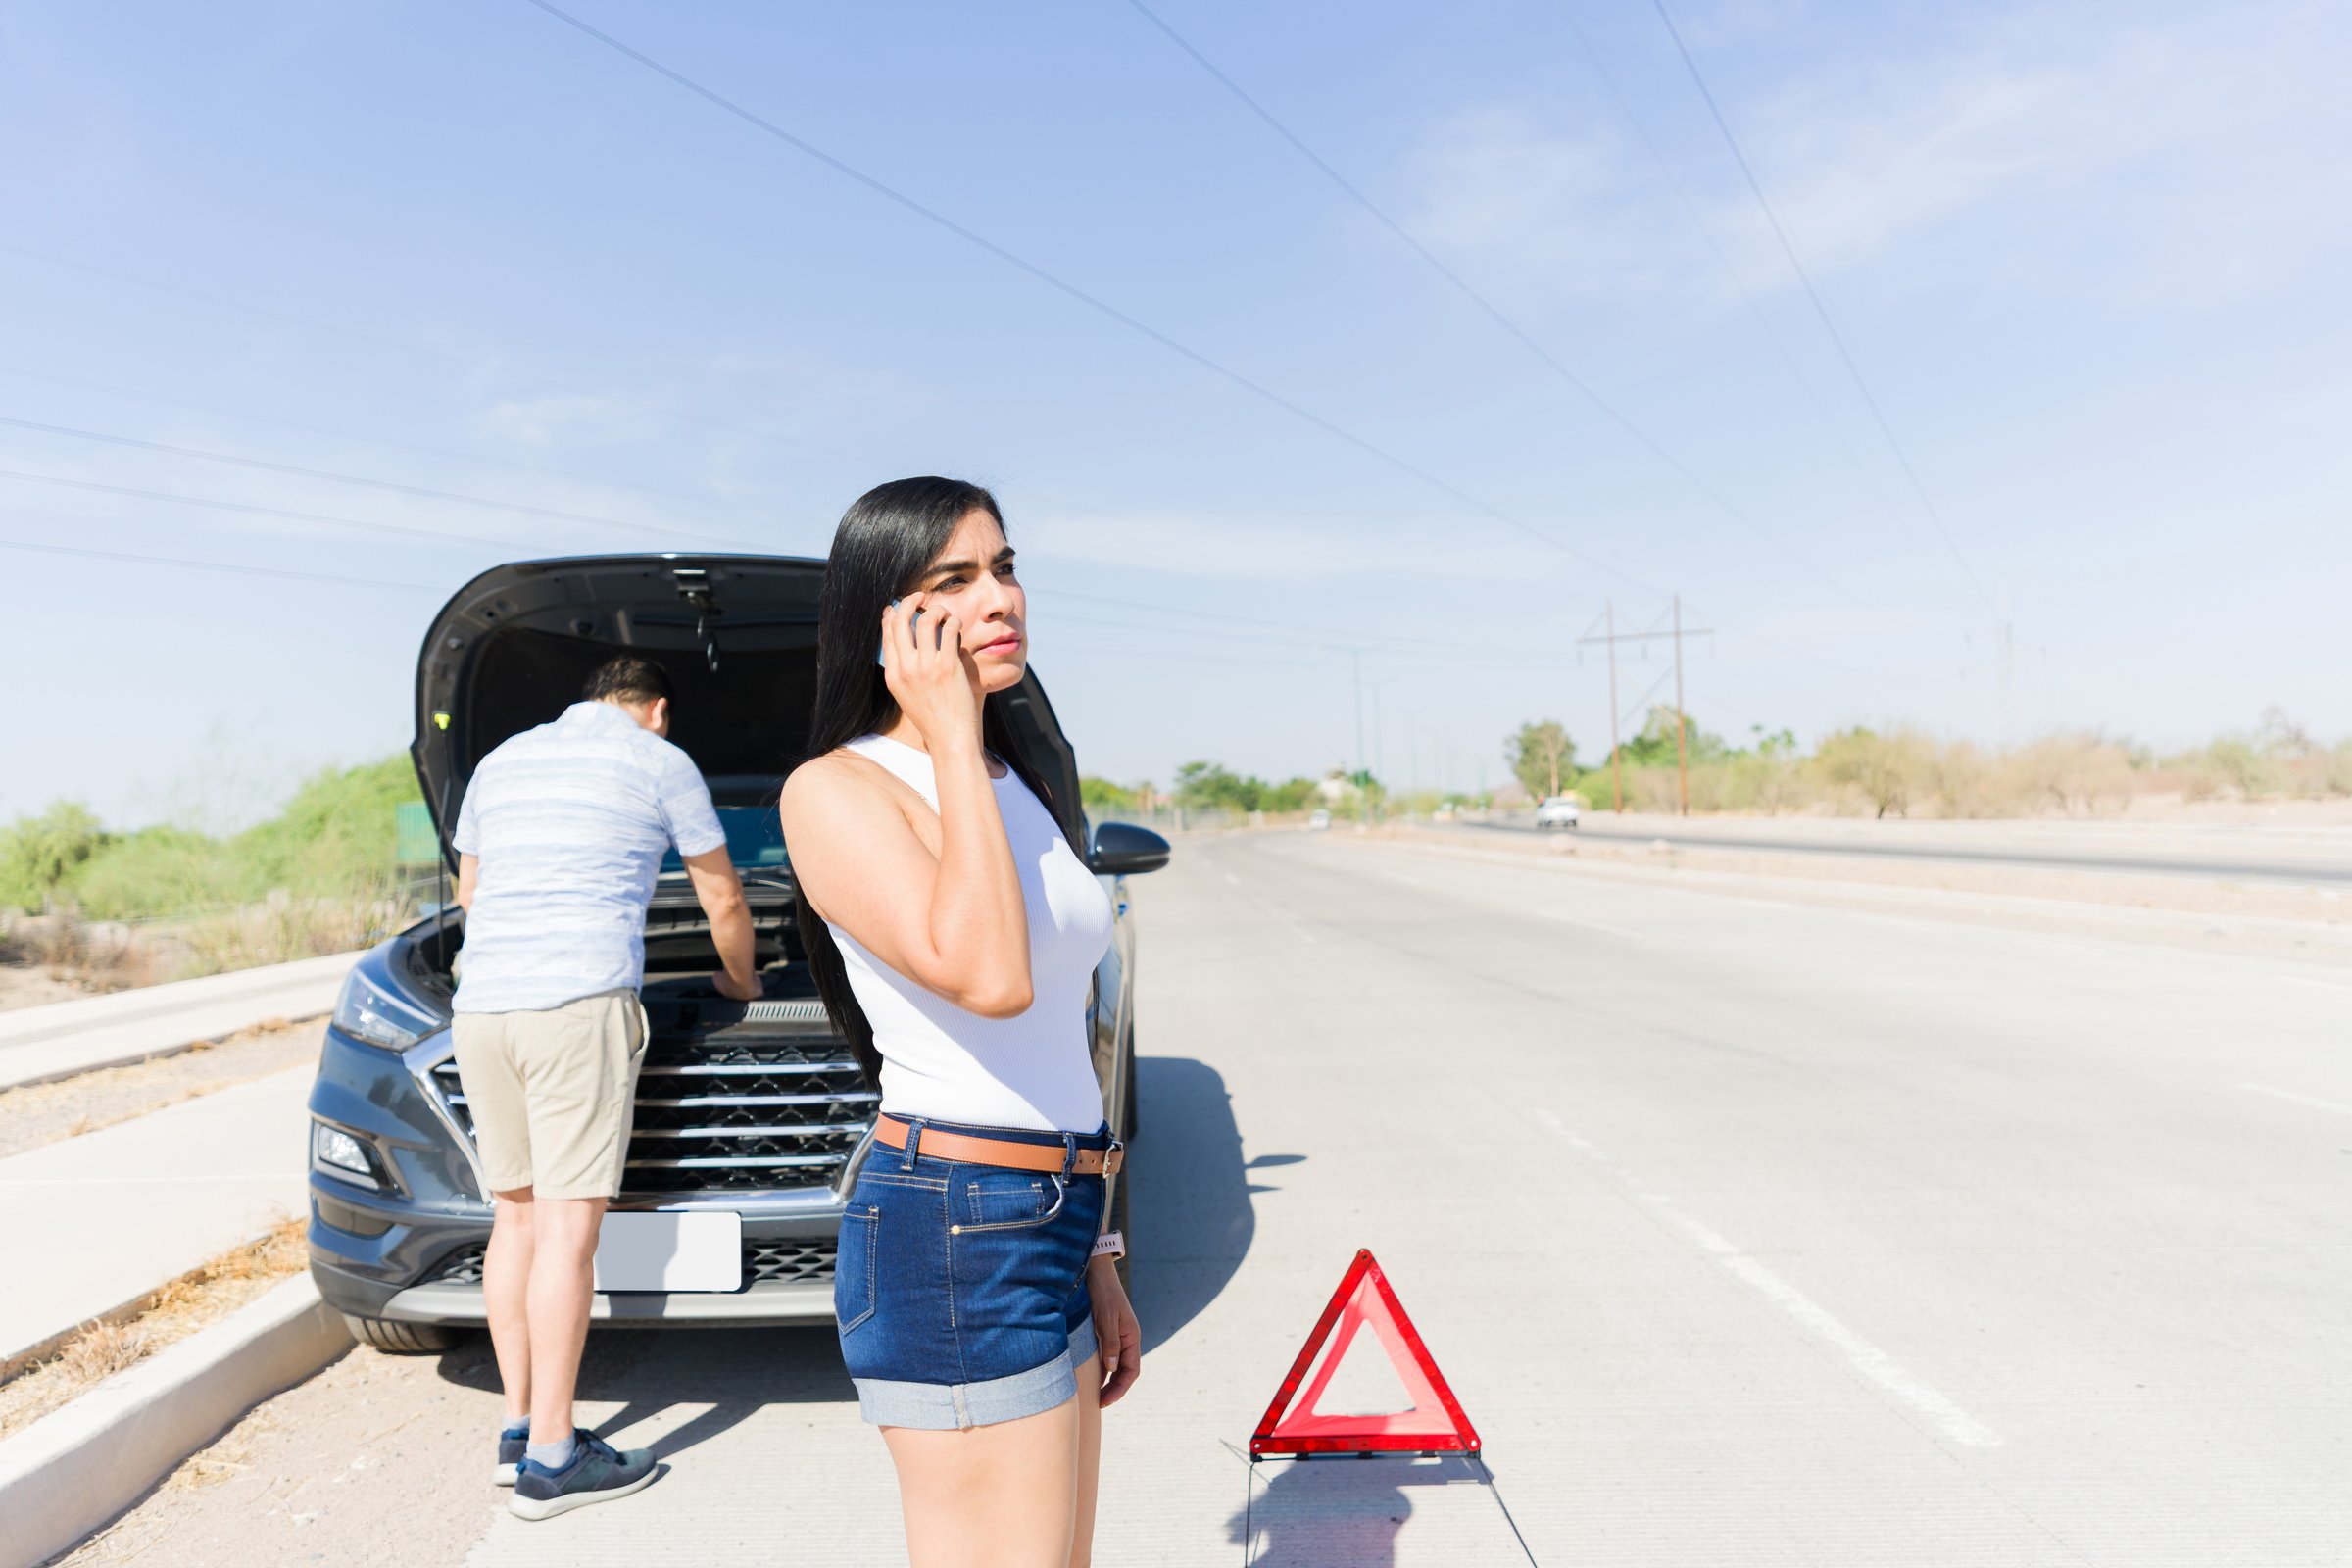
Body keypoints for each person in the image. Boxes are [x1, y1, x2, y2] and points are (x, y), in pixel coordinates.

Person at [780, 477, 1143, 1568]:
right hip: (956, 1232)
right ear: (887, 621)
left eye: (1005, 567)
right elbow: (988, 977)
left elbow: (1060, 1031)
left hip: (1052, 1212)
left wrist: (1102, 1246)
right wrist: (943, 730)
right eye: (954, 581)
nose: (1000, 599)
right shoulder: (837, 789)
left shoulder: (1007, 775)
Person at [451, 654, 762, 1521]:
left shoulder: (502, 760)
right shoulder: (657, 760)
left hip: (483, 1007)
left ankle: (518, 1432)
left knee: (513, 1219)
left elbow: (471, 892)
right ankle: (556, 1457)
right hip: (575, 1004)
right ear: (655, 710)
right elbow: (723, 898)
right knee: (567, 1230)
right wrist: (741, 984)